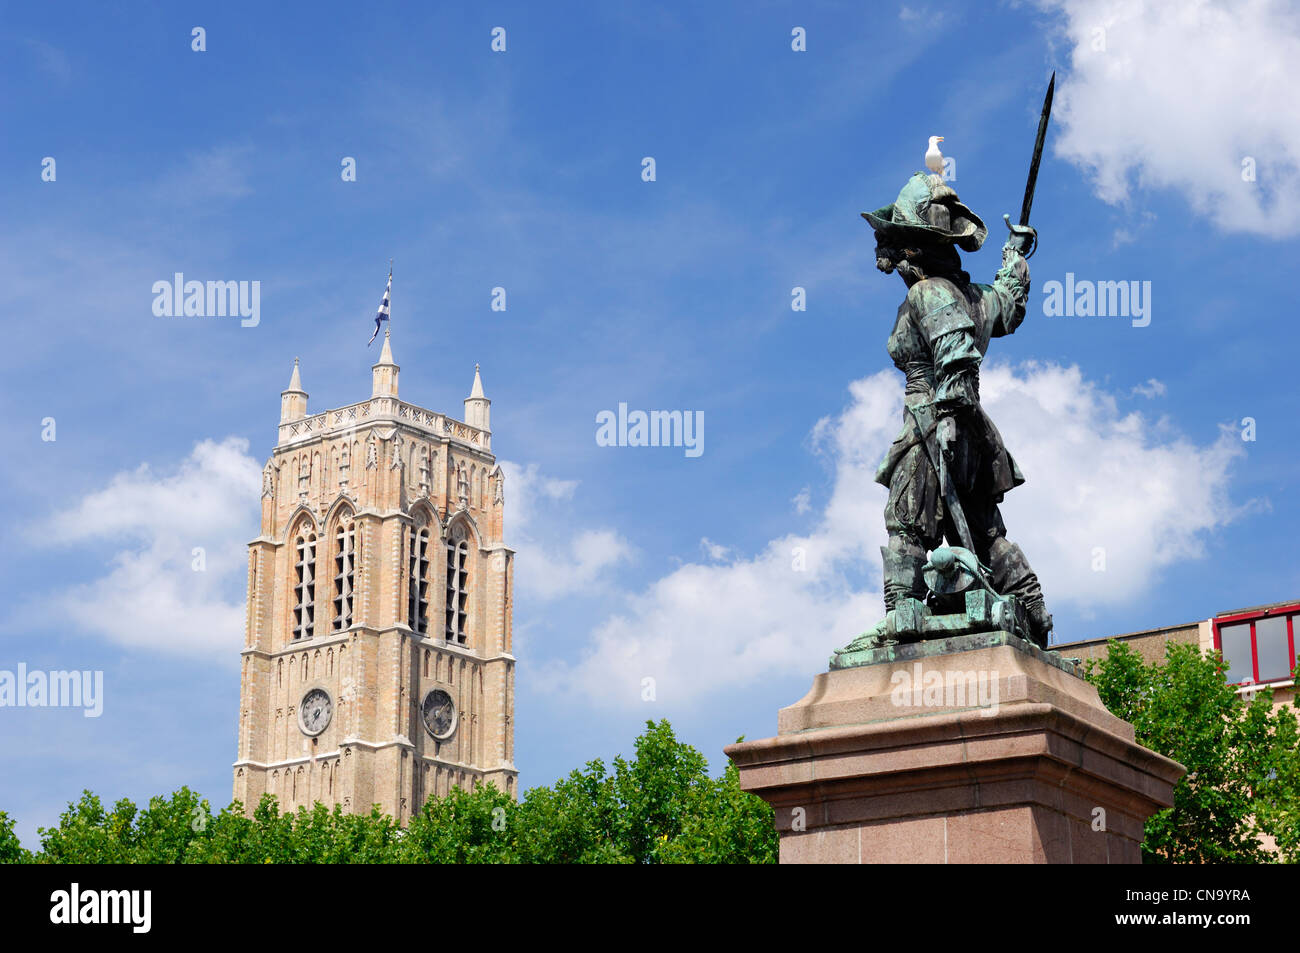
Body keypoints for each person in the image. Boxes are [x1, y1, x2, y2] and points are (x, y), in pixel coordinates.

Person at [836, 172, 1053, 653]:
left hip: (933, 421)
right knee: (982, 527)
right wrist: (1014, 256)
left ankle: (902, 614)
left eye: (894, 244)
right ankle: (1031, 607)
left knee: (906, 521)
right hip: (971, 430)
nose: (889, 259)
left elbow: (953, 348)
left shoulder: (927, 292)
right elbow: (1008, 305)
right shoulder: (977, 296)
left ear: (913, 247)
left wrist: (947, 415)